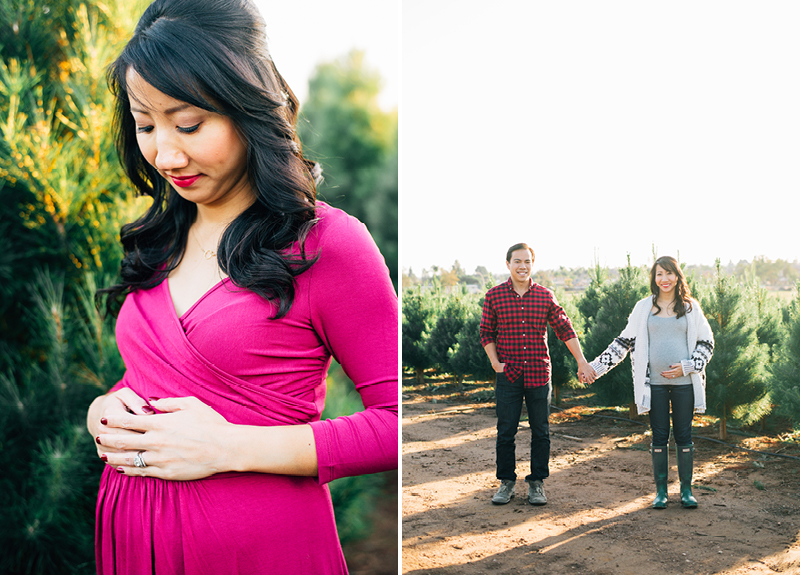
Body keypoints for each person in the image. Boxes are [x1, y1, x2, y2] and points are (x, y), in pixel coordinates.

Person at [84, 1, 398, 573]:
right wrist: (107, 407)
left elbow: (399, 423)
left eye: (188, 125)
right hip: (133, 542)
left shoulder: (328, 243)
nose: (166, 154)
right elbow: (162, 373)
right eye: (146, 125)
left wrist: (230, 447)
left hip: (260, 550)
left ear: (247, 106)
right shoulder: (163, 236)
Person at [583, 256, 714, 509]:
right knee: (659, 436)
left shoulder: (690, 308)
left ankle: (686, 491)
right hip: (653, 385)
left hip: (684, 385)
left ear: (678, 276)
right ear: (654, 279)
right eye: (659, 274)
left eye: (669, 274)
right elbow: (622, 343)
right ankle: (662, 493)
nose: (664, 279)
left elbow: (706, 343)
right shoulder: (643, 308)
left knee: (684, 435)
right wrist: (594, 369)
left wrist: (687, 367)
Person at [479, 243, 592, 506]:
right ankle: (506, 482)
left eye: (527, 261)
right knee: (506, 430)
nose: (522, 266)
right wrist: (495, 363)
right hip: (508, 374)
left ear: (533, 264)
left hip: (539, 374)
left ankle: (536, 483)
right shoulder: (494, 296)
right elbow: (486, 331)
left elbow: (565, 328)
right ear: (508, 264)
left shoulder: (544, 296)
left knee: (540, 431)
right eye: (517, 261)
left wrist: (582, 361)